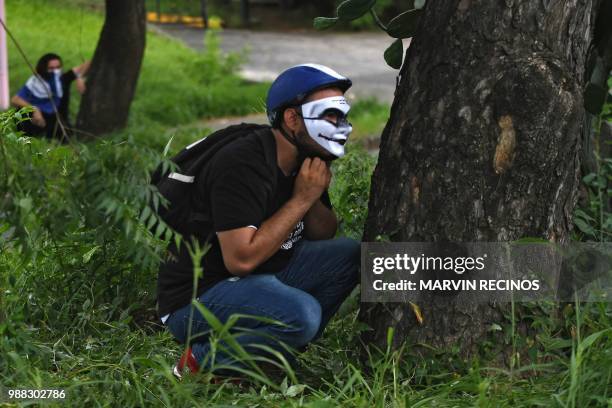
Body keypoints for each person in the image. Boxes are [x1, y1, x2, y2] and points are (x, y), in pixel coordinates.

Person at [157, 63, 360, 378]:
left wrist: (311, 194)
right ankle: (198, 362)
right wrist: (301, 199)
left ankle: (270, 348)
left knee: (352, 255)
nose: (343, 126)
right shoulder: (242, 163)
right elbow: (241, 260)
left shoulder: (303, 156)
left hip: (264, 275)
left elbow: (323, 234)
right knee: (303, 315)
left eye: (343, 115)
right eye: (330, 115)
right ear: (292, 119)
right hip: (197, 300)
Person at [11, 53, 90, 139]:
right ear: (44, 68)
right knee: (22, 112)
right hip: (36, 117)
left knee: (63, 133)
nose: (55, 71)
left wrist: (80, 77)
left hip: (55, 118)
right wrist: (35, 109)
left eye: (58, 67)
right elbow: (15, 100)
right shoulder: (36, 82)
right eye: (51, 68)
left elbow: (89, 63)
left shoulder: (63, 79)